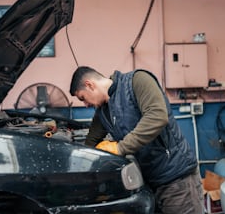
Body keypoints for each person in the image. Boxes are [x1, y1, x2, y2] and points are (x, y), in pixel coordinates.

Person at [69, 66, 204, 214]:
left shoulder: (137, 81)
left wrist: (120, 148)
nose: (85, 104)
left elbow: (157, 116)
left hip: (176, 179)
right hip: (149, 183)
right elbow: (91, 142)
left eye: (83, 98)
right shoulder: (103, 110)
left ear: (90, 85)